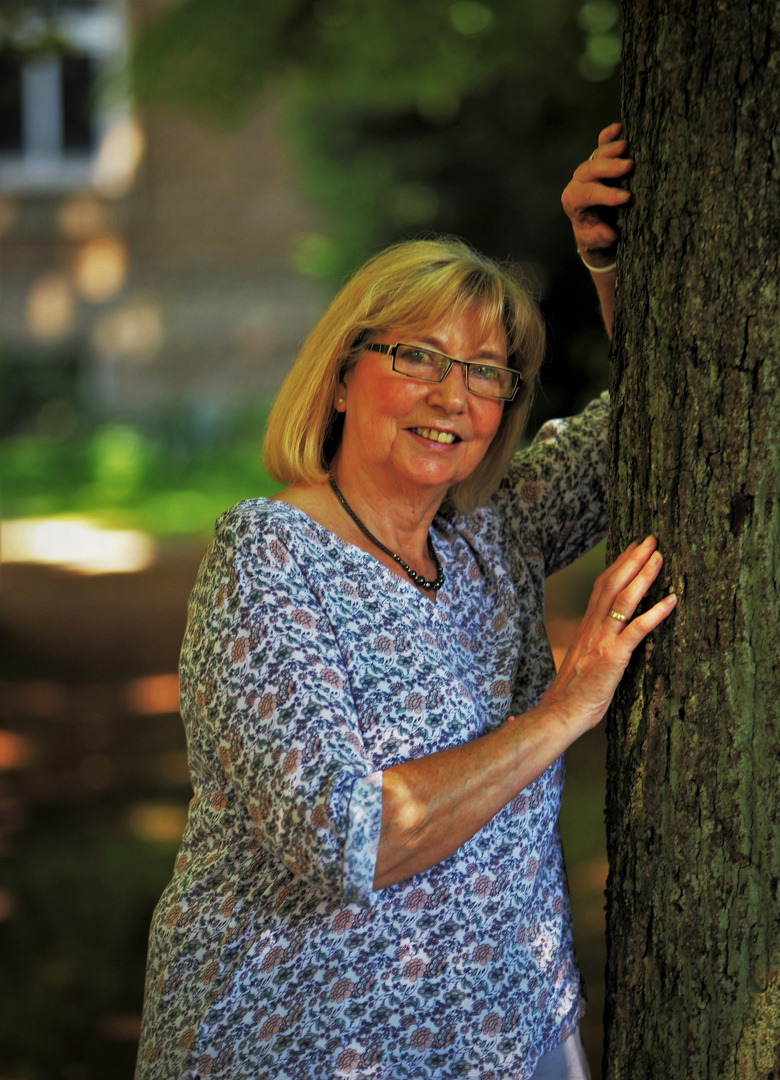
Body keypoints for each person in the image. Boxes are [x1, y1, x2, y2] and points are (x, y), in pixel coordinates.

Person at [136, 124, 674, 1080]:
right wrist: (568, 707)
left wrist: (609, 262)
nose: (452, 394)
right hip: (307, 1047)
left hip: (514, 1029)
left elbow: (662, 406)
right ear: (343, 374)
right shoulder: (267, 557)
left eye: (484, 372)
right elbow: (349, 840)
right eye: (419, 356)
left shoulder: (490, 537)